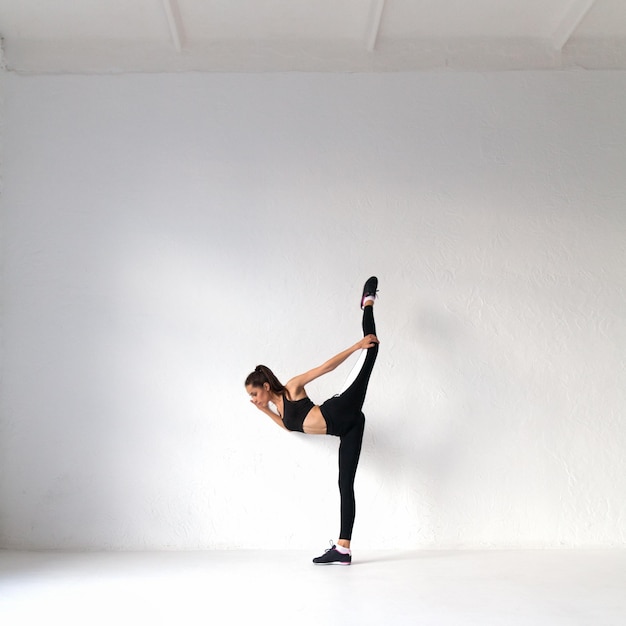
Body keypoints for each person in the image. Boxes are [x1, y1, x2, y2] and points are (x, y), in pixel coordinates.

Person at [245, 277, 380, 565]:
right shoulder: (278, 411)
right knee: (345, 484)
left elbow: (325, 367)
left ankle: (368, 301)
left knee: (372, 348)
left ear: (265, 387)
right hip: (348, 428)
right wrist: (264, 411)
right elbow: (287, 426)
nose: (253, 399)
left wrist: (356, 346)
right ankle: (343, 549)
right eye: (250, 397)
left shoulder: (293, 388)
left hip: (341, 408)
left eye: (254, 394)